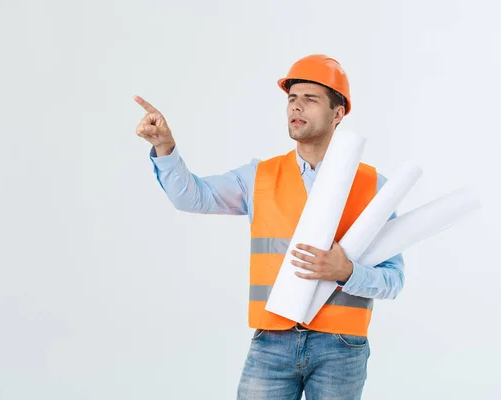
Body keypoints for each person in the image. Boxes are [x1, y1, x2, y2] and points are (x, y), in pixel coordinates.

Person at [134, 54, 405, 399]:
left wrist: (346, 271)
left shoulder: (373, 186)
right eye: (292, 99)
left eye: (310, 99)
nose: (296, 107)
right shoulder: (259, 176)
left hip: (342, 346)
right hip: (272, 342)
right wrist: (164, 147)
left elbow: (393, 280)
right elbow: (193, 197)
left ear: (338, 113)